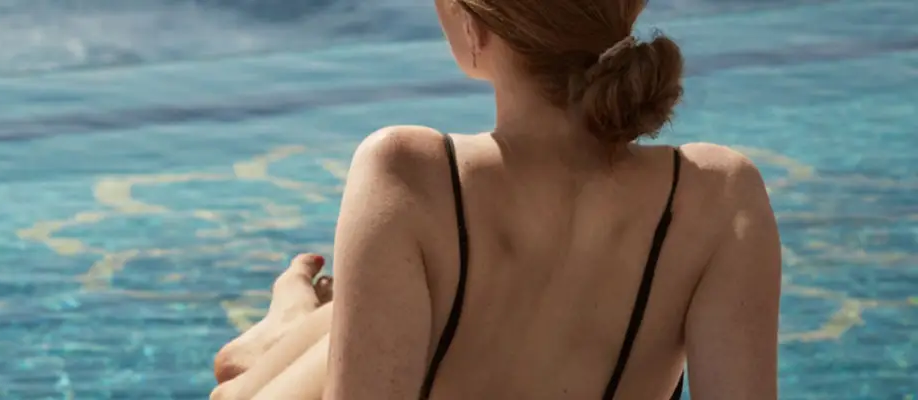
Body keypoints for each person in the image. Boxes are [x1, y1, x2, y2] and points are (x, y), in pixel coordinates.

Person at [209, 0, 783, 398]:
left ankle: (292, 317)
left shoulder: (410, 174)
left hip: (430, 287)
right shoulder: (721, 195)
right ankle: (302, 318)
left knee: (233, 388)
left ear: (474, 29)